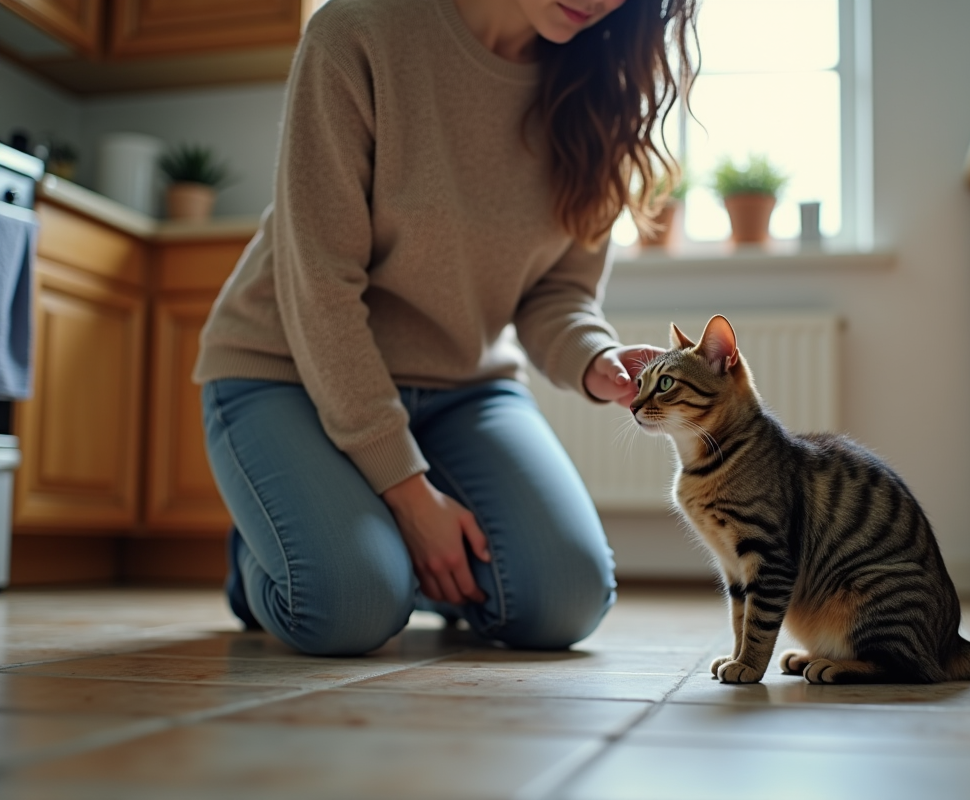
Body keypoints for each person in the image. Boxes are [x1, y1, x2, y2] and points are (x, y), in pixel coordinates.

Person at [193, 0, 698, 656]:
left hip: (462, 388)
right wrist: (409, 495)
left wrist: (594, 357)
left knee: (566, 601)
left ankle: (365, 542)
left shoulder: (603, 91)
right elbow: (320, 287)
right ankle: (274, 556)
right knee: (348, 607)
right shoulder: (356, 32)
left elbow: (559, 293)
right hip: (286, 371)